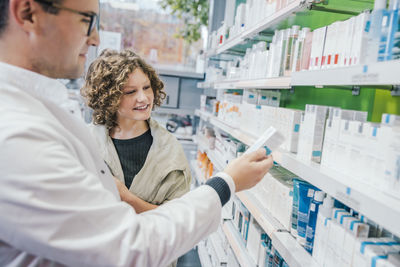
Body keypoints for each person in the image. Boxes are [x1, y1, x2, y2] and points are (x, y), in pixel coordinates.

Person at [0, 1, 274, 266]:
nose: (95, 38)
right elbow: (129, 247)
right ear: (28, 13)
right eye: (87, 19)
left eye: (146, 88)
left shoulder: (41, 112)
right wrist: (227, 183)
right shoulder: (17, 133)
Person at [82, 49, 191, 216]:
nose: (144, 98)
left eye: (147, 87)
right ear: (109, 97)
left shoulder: (170, 150)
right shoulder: (85, 142)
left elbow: (179, 220)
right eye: (131, 92)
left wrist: (127, 198)